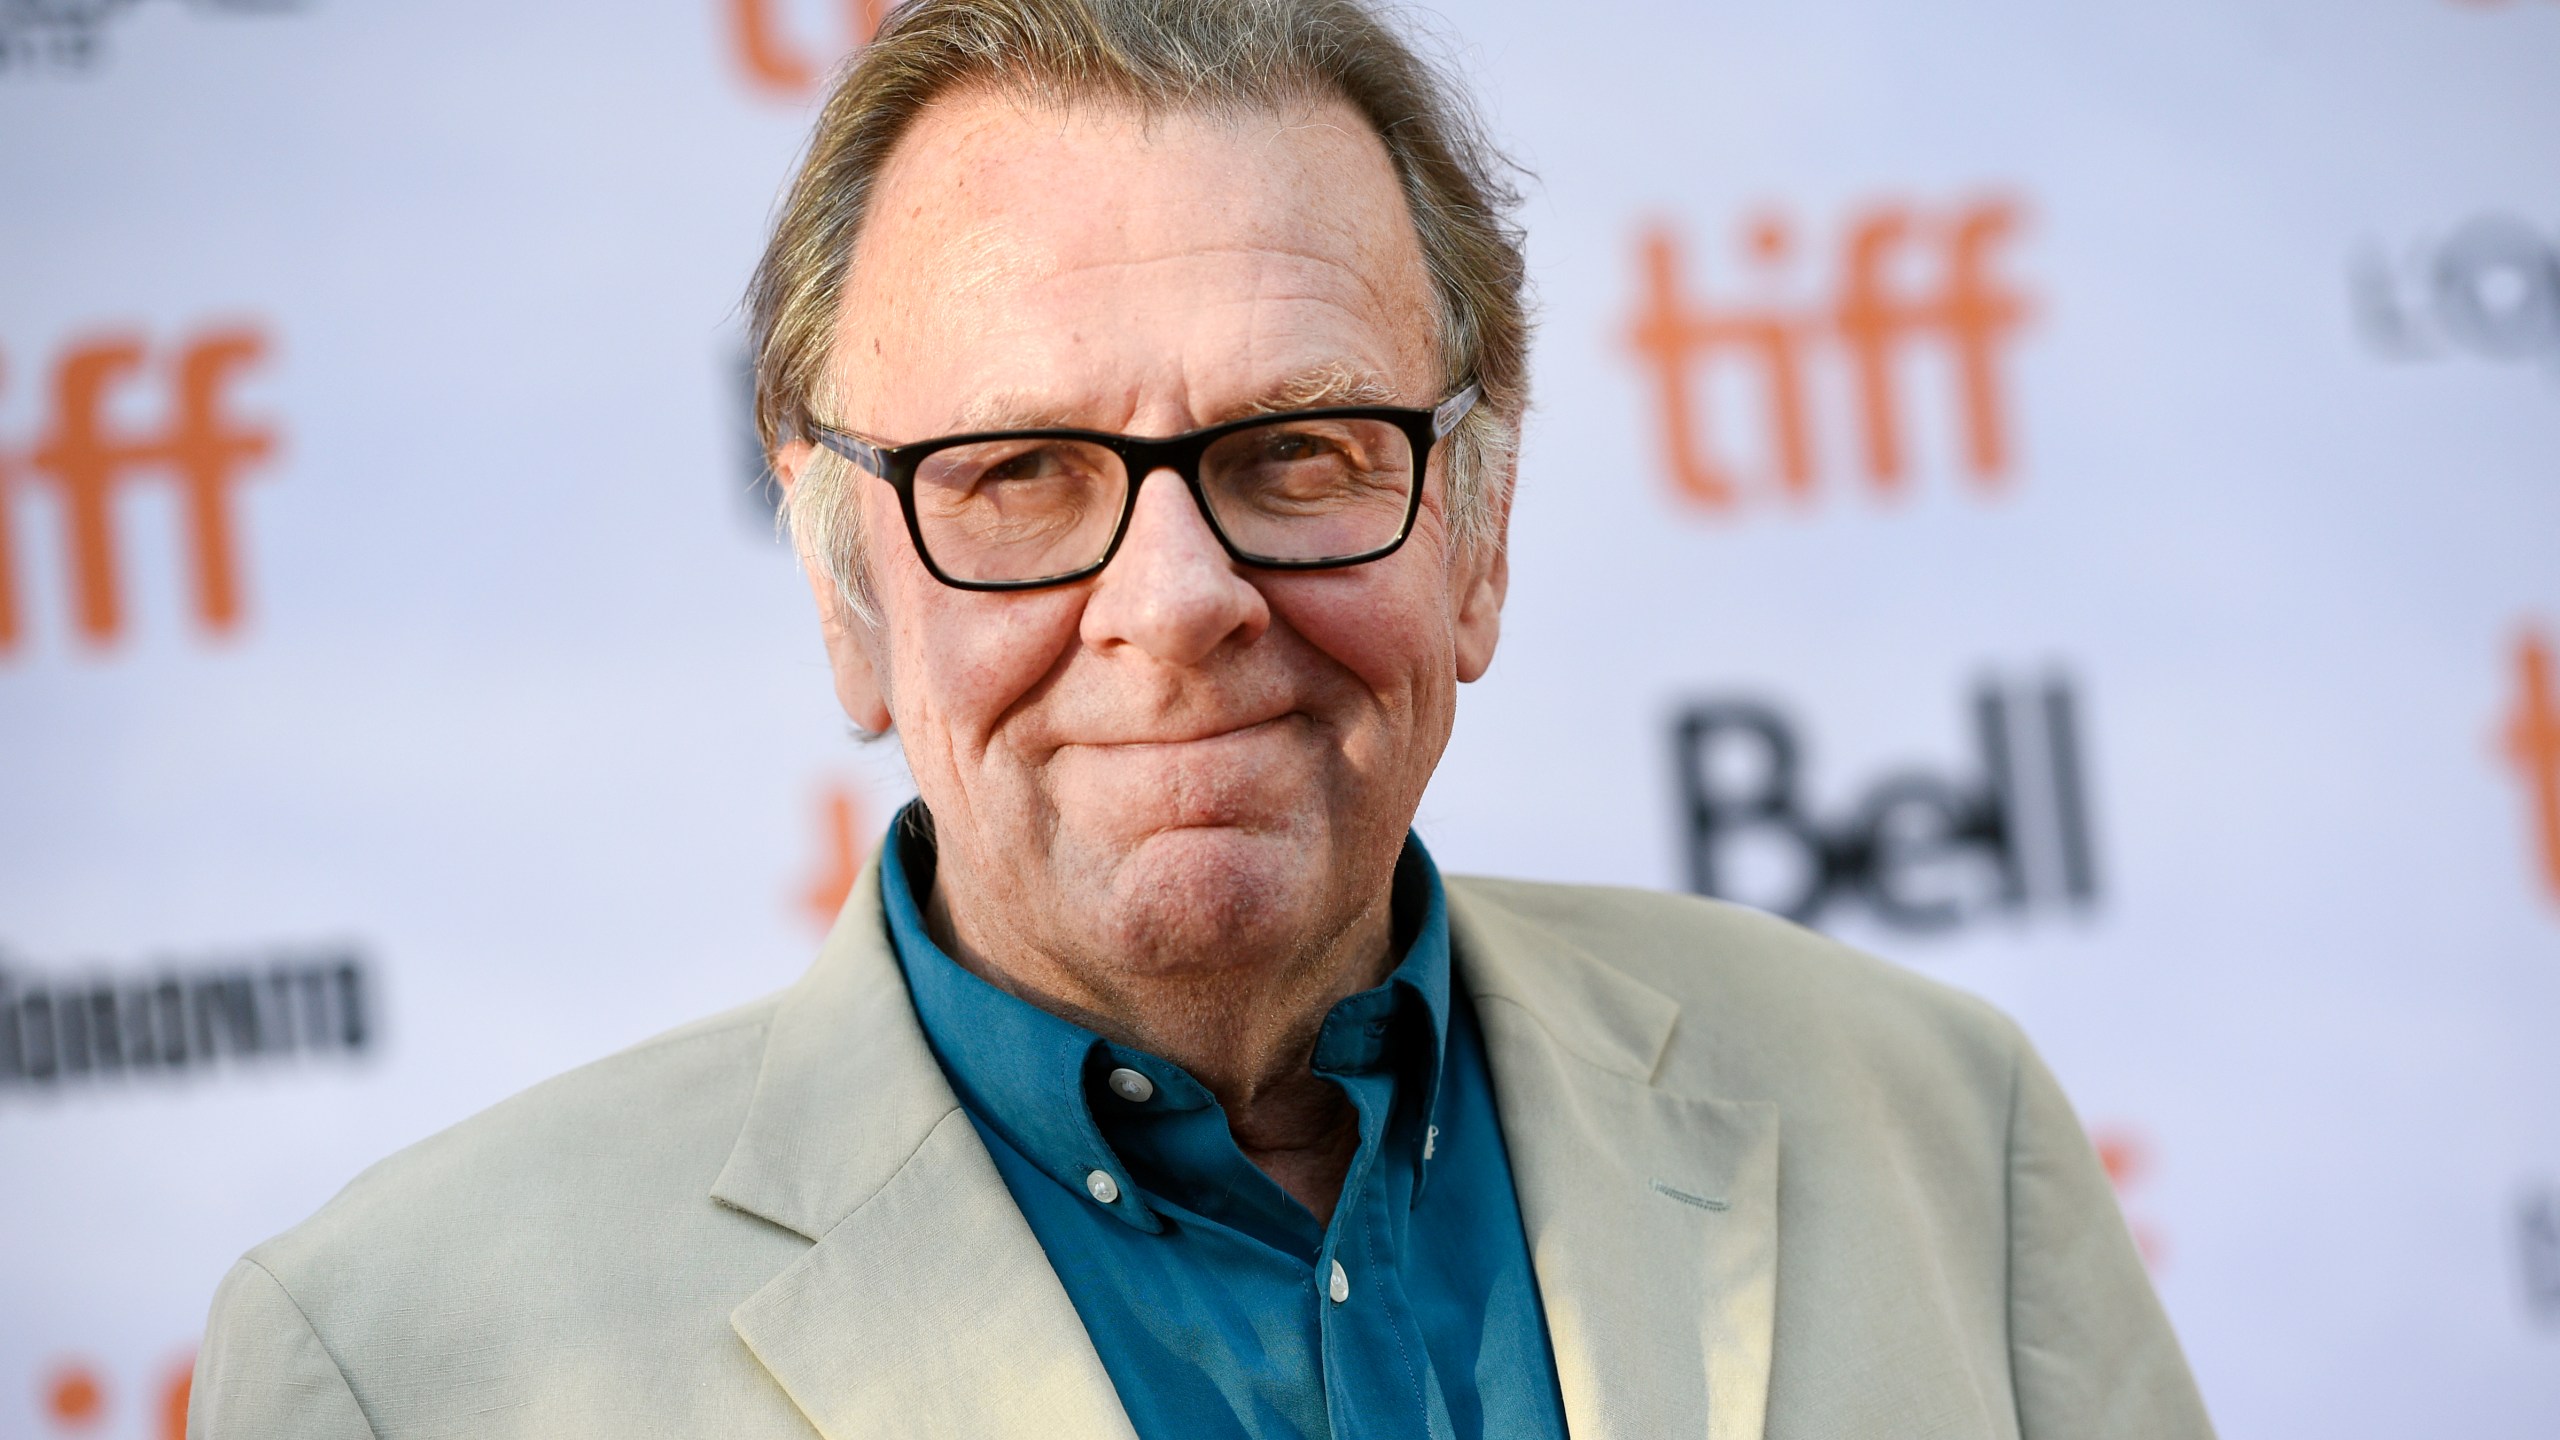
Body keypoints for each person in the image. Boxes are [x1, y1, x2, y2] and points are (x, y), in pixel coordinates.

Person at [188, 0, 2215, 1435]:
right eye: (1017, 478)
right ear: (845, 597)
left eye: (1299, 451)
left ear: (1477, 538)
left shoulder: (1939, 1131)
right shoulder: (399, 1370)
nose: (1174, 604)